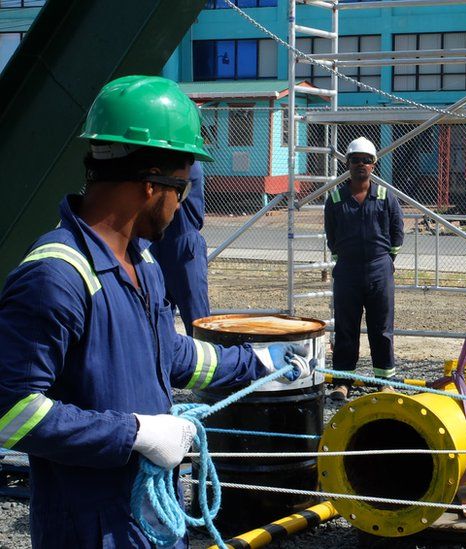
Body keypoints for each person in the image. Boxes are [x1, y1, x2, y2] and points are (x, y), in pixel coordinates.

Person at [0, 75, 313, 549]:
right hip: (89, 529)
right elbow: (11, 412)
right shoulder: (57, 276)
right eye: (183, 191)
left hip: (149, 517)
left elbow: (169, 352)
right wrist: (136, 433)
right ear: (151, 186)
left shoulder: (142, 263)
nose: (181, 207)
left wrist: (262, 365)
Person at [324, 137, 404, 401]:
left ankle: (384, 381)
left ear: (374, 165)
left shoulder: (385, 197)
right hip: (347, 272)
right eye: (355, 160)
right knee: (346, 328)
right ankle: (343, 382)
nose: (361, 164)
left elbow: (397, 233)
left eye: (366, 160)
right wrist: (346, 258)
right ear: (347, 163)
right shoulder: (335, 198)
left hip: (379, 270)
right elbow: (331, 236)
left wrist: (385, 260)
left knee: (381, 328)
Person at [150, 160, 210, 334]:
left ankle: (206, 358)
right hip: (158, 244)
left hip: (184, 245)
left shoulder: (187, 163)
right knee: (159, 317)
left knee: (197, 321)